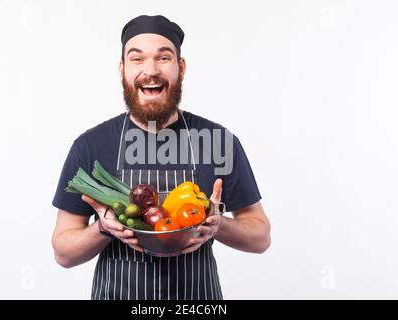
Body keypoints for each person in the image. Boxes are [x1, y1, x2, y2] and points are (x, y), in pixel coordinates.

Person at [51, 15, 271, 300]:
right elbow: (63, 253)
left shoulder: (218, 141)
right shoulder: (91, 145)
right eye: (137, 59)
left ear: (181, 68)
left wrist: (219, 225)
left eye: (163, 58)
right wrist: (102, 229)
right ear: (122, 69)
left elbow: (261, 237)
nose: (151, 70)